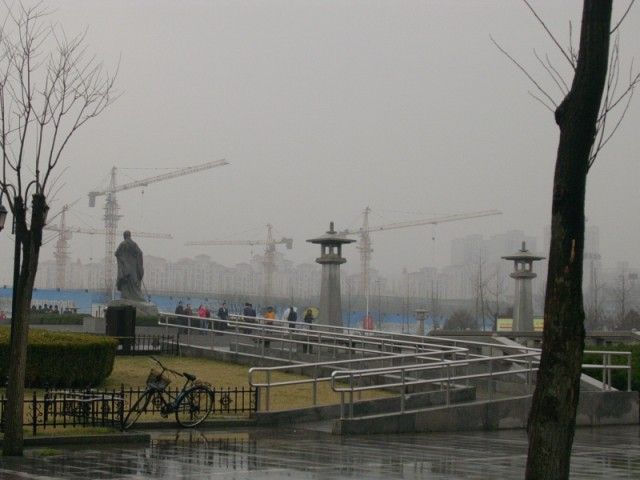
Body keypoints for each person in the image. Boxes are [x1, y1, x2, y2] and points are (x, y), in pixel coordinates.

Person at [115, 230, 145, 302]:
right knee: (134, 283)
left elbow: (117, 253)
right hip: (133, 268)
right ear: (130, 235)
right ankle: (136, 297)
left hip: (125, 268)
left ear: (124, 236)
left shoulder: (122, 244)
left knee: (126, 283)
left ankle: (126, 296)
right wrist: (138, 264)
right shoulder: (134, 244)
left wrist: (122, 259)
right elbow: (140, 253)